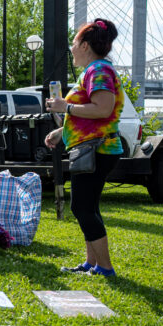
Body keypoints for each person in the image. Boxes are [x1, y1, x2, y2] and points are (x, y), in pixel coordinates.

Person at [45, 18, 123, 278]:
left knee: (82, 207)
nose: (72, 48)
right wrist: (60, 132)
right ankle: (92, 263)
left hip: (96, 150)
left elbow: (103, 108)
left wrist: (63, 106)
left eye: (75, 43)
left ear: (86, 45)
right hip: (91, 147)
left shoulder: (99, 71)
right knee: (89, 206)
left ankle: (105, 268)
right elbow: (88, 115)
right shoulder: (95, 70)